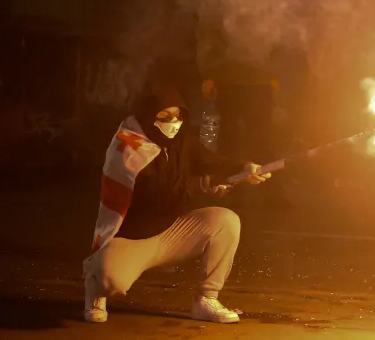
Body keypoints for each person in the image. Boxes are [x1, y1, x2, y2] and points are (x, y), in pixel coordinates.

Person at [81, 77, 272, 324]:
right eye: (165, 116)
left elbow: (207, 160)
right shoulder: (128, 145)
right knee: (111, 280)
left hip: (171, 230)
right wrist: (204, 185)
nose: (174, 123)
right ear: (148, 114)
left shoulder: (181, 137)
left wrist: (245, 168)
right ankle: (95, 282)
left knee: (226, 222)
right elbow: (156, 193)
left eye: (178, 115)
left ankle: (206, 299)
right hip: (133, 237)